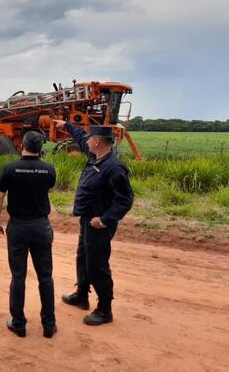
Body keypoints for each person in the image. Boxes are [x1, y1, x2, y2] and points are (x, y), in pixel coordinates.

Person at [54, 120, 134, 326]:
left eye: (90, 138)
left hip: (99, 224)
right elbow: (81, 136)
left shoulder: (114, 167)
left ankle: (105, 310)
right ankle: (81, 295)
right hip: (87, 220)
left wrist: (105, 220)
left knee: (97, 264)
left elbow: (125, 199)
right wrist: (66, 125)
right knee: (83, 257)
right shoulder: (95, 156)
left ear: (97, 141)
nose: (86, 141)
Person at [0, 131, 58, 339]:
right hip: (41, 227)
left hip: (18, 227)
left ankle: (19, 324)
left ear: (22, 146)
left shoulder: (9, 169)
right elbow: (45, 191)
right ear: (41, 149)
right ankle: (49, 325)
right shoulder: (49, 170)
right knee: (45, 277)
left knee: (18, 276)